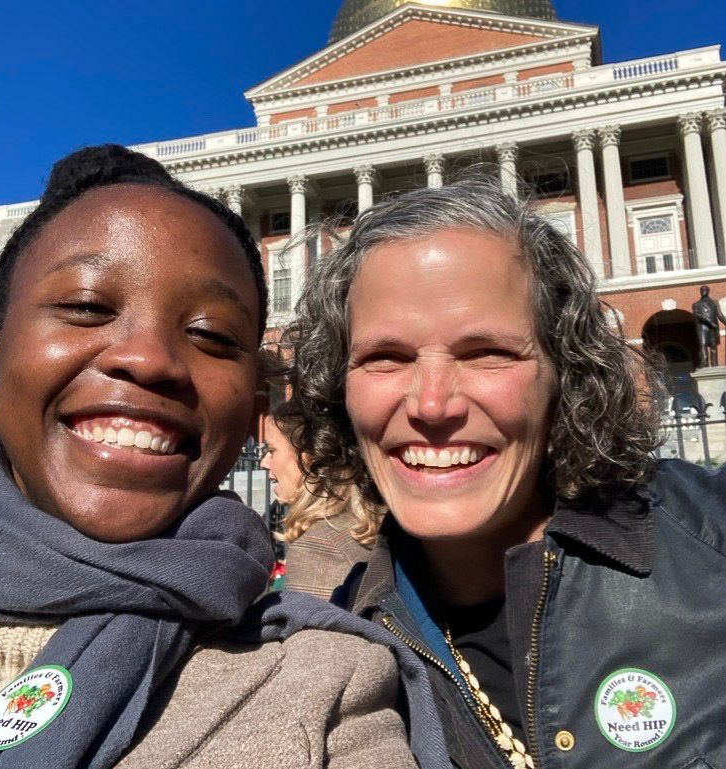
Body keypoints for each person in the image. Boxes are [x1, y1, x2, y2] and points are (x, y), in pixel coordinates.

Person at [0, 145, 446, 769]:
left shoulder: (325, 680)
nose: (149, 359)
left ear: (253, 405)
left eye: (212, 335)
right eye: (85, 307)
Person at [284, 175, 726, 769]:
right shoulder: (336, 649)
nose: (431, 405)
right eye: (385, 357)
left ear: (565, 373)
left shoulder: (709, 540)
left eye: (487, 352)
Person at [260, 413, 378, 599]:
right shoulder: (357, 526)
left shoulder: (319, 548)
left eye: (272, 451)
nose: (264, 463)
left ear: (307, 461)